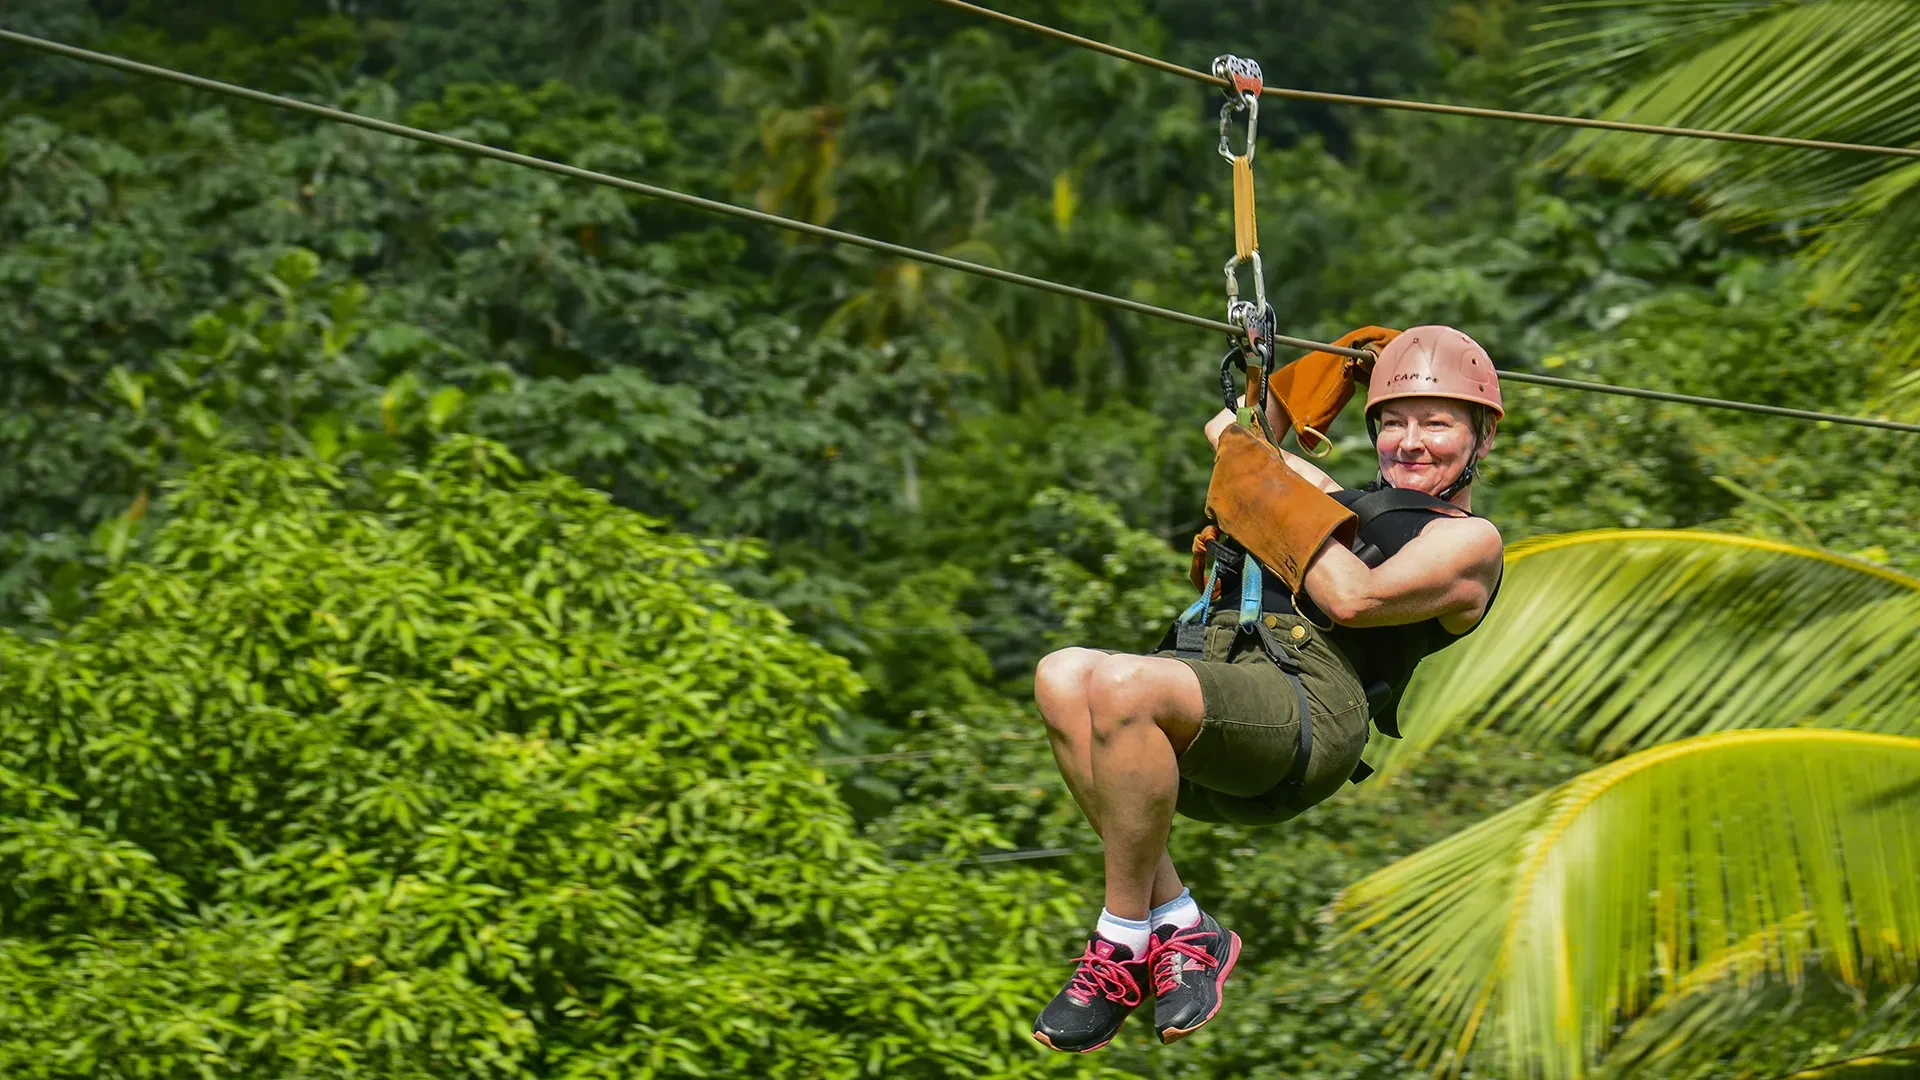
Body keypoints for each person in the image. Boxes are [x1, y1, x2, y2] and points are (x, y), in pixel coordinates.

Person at [1029, 325, 1507, 1053]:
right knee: (1061, 674)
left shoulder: (1467, 543)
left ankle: (1121, 942)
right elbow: (1230, 432)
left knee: (1124, 684)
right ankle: (1181, 926)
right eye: (1393, 423)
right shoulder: (1337, 504)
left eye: (1436, 425)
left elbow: (1353, 597)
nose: (1410, 442)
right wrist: (1325, 369)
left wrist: (1270, 492)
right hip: (1225, 697)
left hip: (1310, 710)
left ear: (1482, 440)